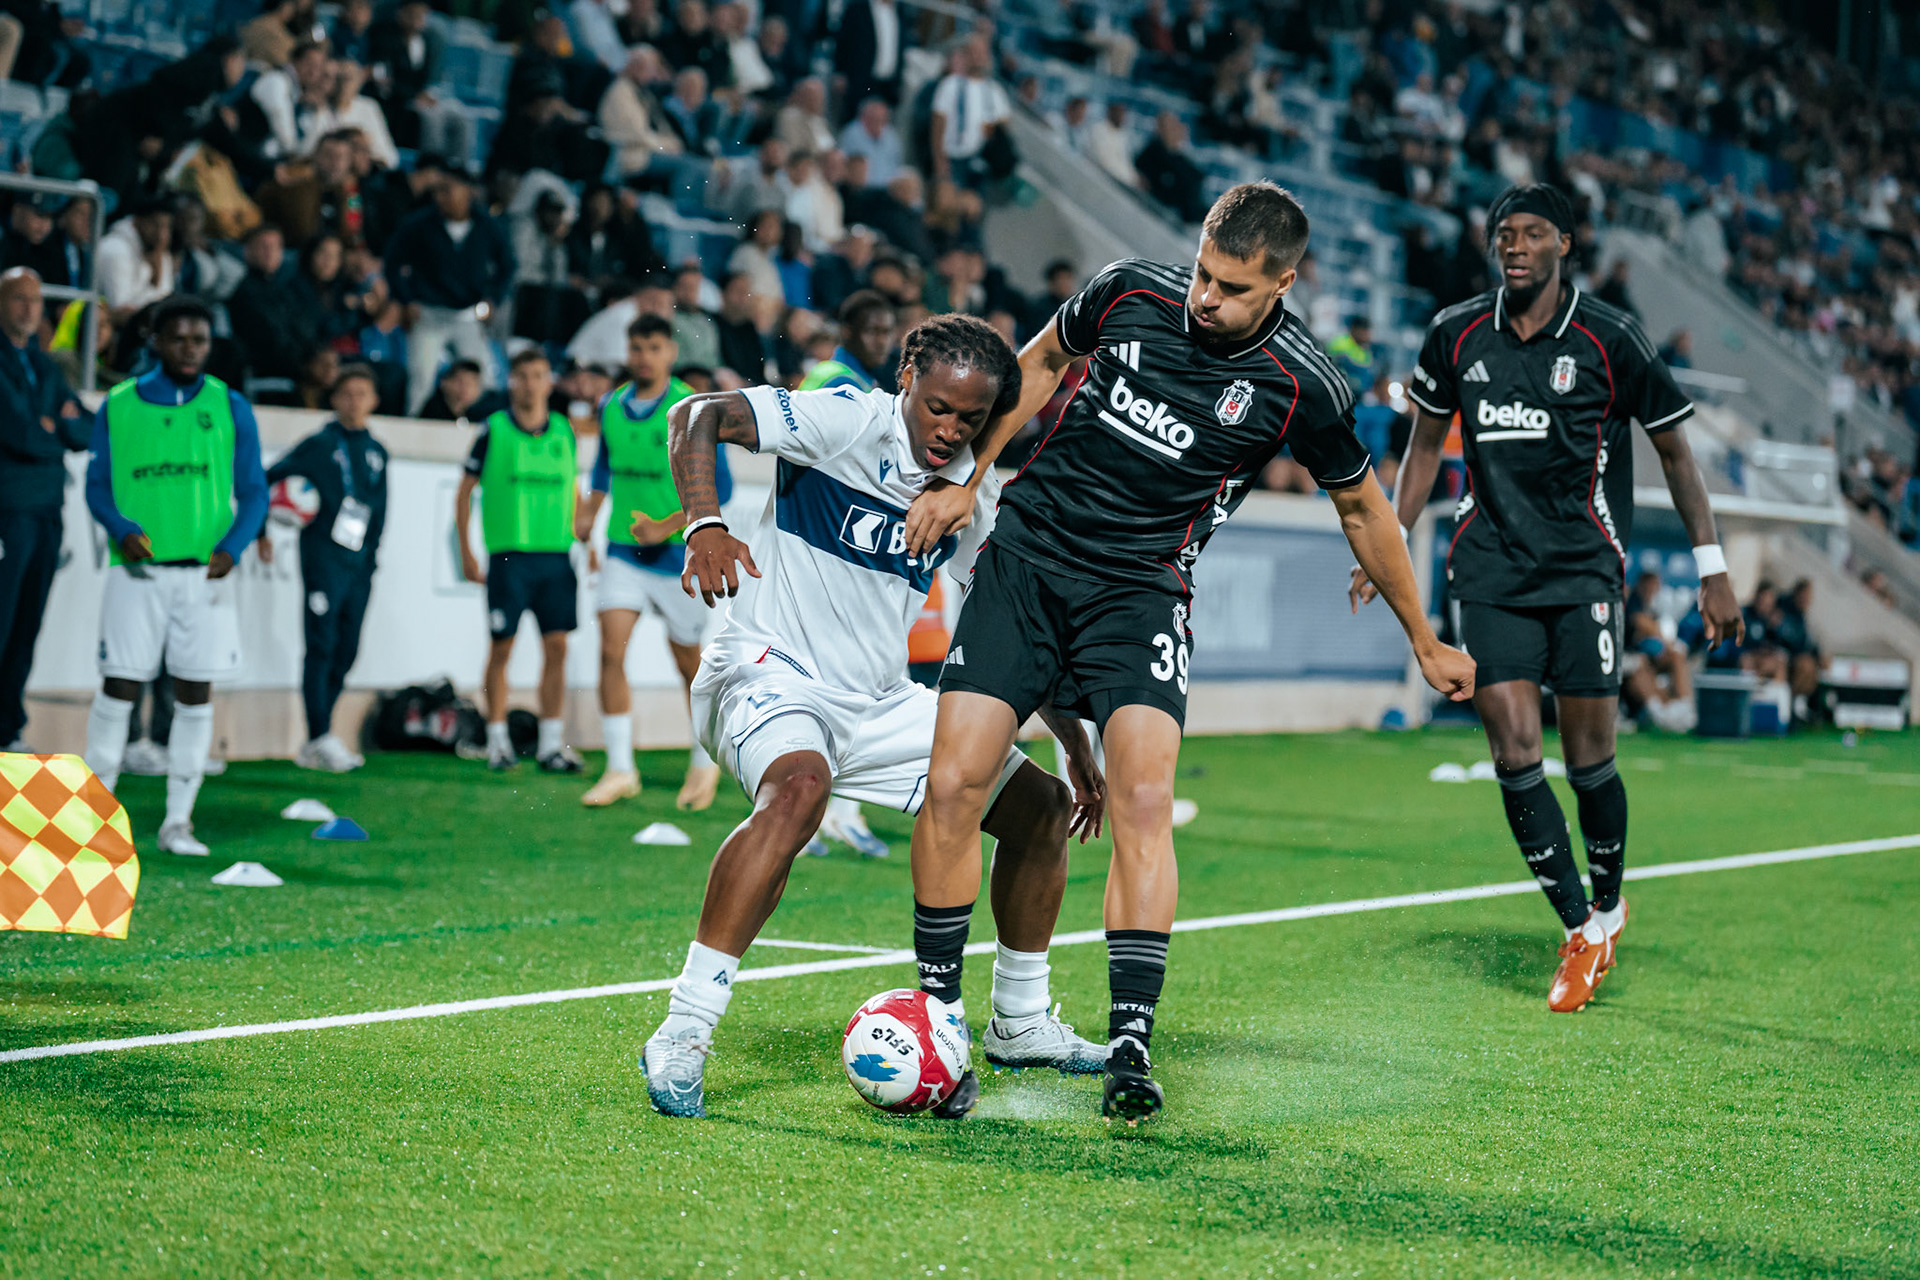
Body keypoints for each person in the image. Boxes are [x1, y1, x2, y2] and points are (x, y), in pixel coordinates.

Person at [900, 181, 1475, 1122]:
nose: (1207, 298)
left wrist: (1423, 636)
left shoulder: (1306, 385)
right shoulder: (1128, 289)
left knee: (1142, 795)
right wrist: (972, 477)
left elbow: (1364, 506)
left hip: (1140, 594)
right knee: (957, 778)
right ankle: (940, 1015)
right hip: (1029, 559)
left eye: (1234, 288)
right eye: (1205, 273)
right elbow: (1040, 363)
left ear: (1284, 283)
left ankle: (1130, 1039)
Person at [641, 315, 1109, 1118]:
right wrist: (704, 524)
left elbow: (1016, 629)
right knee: (799, 792)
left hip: (879, 700)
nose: (950, 429)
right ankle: (685, 1027)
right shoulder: (844, 417)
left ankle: (1021, 1021)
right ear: (907, 382)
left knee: (1041, 809)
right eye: (937, 408)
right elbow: (695, 415)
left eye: (970, 417)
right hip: (767, 669)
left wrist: (1077, 749)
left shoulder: (968, 492)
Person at [1359, 183, 1743, 1015]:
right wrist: (1386, 541)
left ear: (1567, 243)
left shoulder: (1612, 339)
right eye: (1505, 233)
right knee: (1512, 750)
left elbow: (1677, 454)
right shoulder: (1454, 333)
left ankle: (1609, 901)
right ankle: (1580, 928)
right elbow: (1425, 448)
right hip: (1490, 567)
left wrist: (1712, 567)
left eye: (1533, 233)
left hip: (1583, 571)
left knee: (1592, 757)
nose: (1515, 245)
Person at [82, 296, 270, 856]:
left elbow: (255, 489)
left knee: (195, 696)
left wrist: (233, 547)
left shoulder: (229, 404)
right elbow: (97, 485)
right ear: (156, 341)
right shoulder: (117, 404)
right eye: (179, 339)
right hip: (136, 576)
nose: (190, 349)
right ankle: (93, 825)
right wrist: (119, 527)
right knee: (118, 688)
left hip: (202, 580)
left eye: (200, 340)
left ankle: (177, 824)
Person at [574, 314, 725, 809]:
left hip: (676, 556)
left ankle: (704, 766)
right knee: (610, 652)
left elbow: (719, 486)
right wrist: (589, 510)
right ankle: (620, 768)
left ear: (670, 353)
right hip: (623, 551)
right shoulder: (611, 405)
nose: (643, 356)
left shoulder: (691, 407)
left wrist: (666, 526)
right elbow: (603, 467)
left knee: (688, 666)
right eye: (636, 347)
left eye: (653, 347)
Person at [453, 348, 585, 774]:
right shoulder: (493, 431)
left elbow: (574, 489)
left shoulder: (564, 431)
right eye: (522, 375)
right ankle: (496, 742)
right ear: (511, 381)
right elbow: (464, 493)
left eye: (538, 375)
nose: (530, 383)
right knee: (502, 648)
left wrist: (587, 538)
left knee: (557, 648)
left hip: (556, 555)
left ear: (550, 382)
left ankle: (550, 744)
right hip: (509, 556)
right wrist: (466, 549)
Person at [259, 364, 389, 771]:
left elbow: (380, 509)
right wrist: (263, 529)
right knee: (321, 645)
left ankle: (322, 734)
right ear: (333, 400)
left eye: (362, 394)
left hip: (360, 564)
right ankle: (318, 736)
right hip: (323, 560)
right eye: (346, 394)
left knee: (347, 649)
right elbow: (268, 478)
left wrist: (372, 557)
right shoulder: (318, 445)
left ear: (374, 401)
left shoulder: (377, 452)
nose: (354, 402)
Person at [0, 268, 86, 751]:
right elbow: (19, 431)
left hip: (48, 510)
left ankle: (8, 727)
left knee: (28, 623)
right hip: (8, 511)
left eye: (35, 299)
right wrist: (53, 429)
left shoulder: (46, 365)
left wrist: (51, 427)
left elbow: (86, 429)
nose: (29, 308)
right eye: (18, 299)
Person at [385, 169, 514, 415]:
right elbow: (392, 262)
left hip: (467, 315)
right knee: (421, 377)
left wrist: (493, 299)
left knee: (482, 378)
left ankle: (481, 429)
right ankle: (414, 427)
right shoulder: (419, 223)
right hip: (428, 313)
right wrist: (406, 299)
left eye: (447, 190)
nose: (441, 197)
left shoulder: (487, 225)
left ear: (467, 192)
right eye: (437, 191)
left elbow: (507, 266)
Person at [417, 358, 504, 424]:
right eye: (460, 382)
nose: (466, 389)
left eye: (471, 384)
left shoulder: (485, 414)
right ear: (445, 383)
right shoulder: (433, 411)